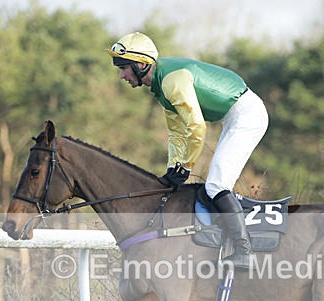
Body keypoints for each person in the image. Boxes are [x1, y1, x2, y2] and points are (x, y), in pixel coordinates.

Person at [106, 32, 269, 269]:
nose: (121, 75)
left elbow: (197, 127)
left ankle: (245, 251)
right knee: (215, 184)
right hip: (234, 115)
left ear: (141, 65)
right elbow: (177, 133)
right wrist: (173, 168)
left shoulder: (171, 81)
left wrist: (186, 166)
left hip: (247, 115)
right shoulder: (160, 85)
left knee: (216, 185)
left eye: (123, 68)